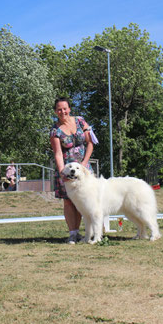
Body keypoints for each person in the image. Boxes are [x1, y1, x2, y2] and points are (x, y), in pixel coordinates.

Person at [50, 97, 96, 244]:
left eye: (64, 108)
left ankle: (90, 232)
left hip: (84, 168)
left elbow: (90, 143)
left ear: (69, 109)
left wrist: (84, 163)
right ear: (55, 111)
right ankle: (73, 233)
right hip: (67, 169)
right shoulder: (55, 131)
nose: (62, 111)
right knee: (69, 202)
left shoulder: (80, 121)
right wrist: (62, 172)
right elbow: (57, 153)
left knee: (84, 200)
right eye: (59, 109)